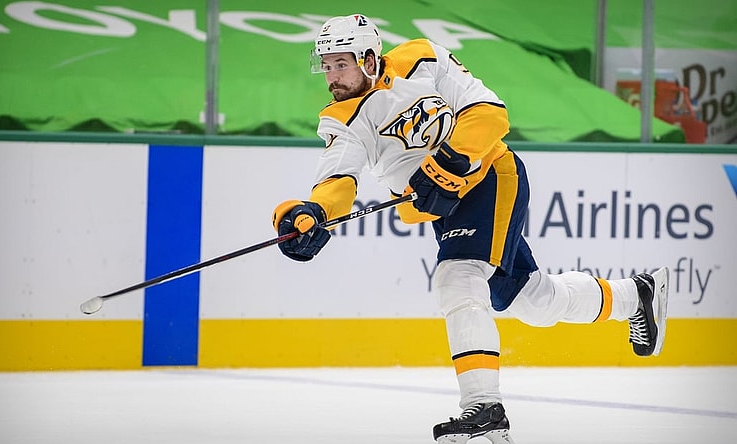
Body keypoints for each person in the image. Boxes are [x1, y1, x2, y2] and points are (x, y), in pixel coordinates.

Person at [271, 14, 669, 444]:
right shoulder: (341, 119)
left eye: (340, 64)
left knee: (457, 276)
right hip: (449, 210)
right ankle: (637, 294)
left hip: (490, 176)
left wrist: (445, 163)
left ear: (369, 58)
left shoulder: (421, 59)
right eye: (326, 65)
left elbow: (489, 113)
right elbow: (337, 182)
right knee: (534, 300)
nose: (331, 75)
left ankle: (484, 406)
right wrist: (309, 213)